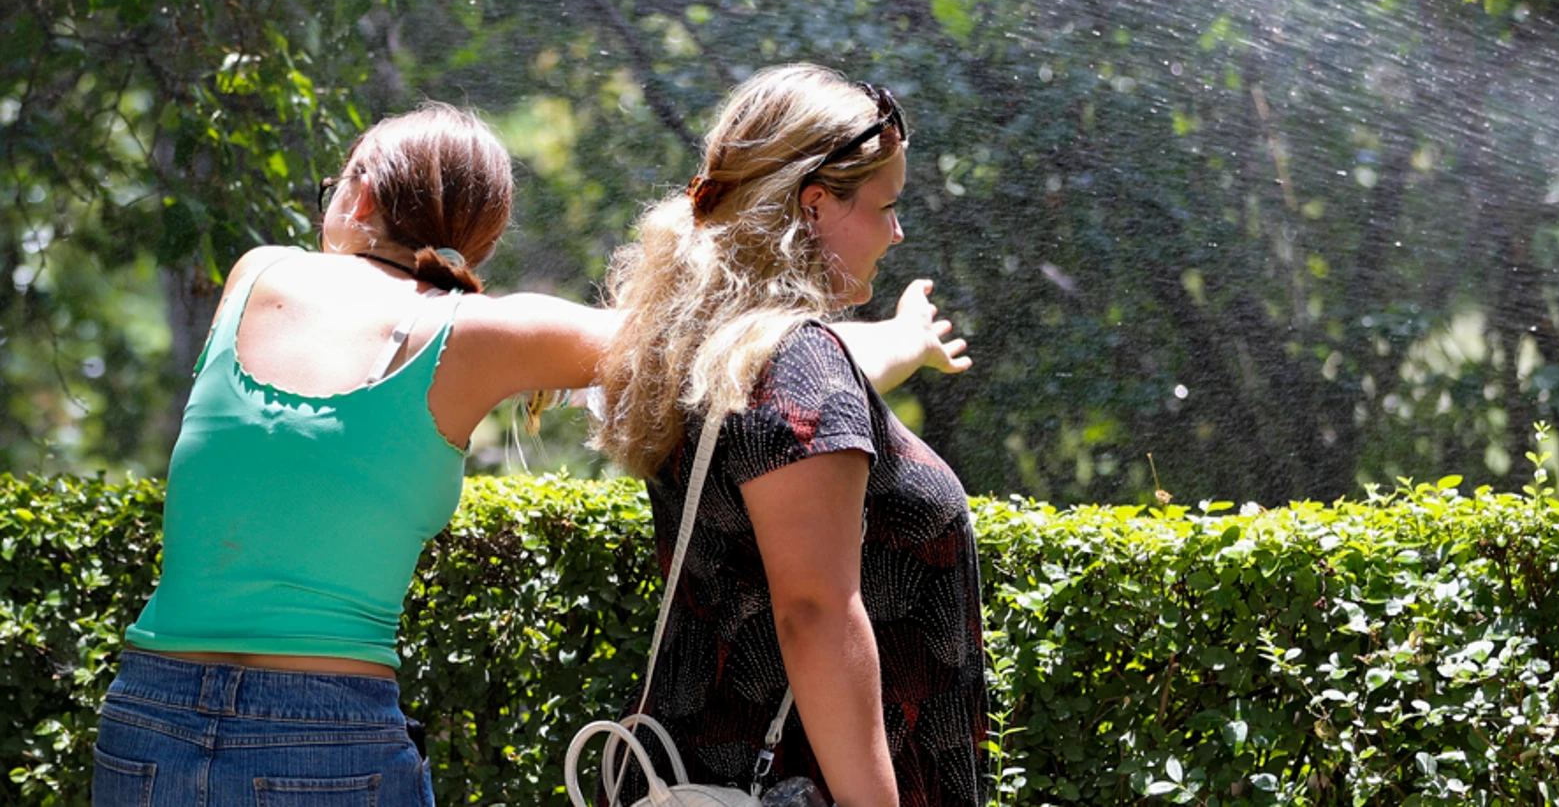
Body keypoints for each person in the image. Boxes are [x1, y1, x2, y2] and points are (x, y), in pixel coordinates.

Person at [94, 102, 962, 807]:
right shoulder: (483, 334)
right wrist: (893, 339)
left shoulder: (255, 276)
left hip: (146, 717)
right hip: (328, 735)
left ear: (357, 194)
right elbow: (738, 358)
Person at [595, 63, 987, 807]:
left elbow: (829, 391)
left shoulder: (717, 351)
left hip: (704, 772)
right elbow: (814, 614)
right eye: (887, 205)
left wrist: (905, 339)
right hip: (805, 785)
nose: (897, 231)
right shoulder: (800, 369)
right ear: (814, 206)